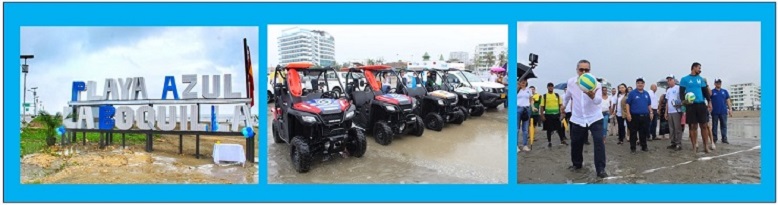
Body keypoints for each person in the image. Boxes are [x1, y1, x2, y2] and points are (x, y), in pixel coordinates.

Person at [564, 59, 607, 178]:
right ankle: (577, 164)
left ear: (590, 70)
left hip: (595, 117)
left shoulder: (595, 83)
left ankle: (600, 169)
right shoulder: (571, 82)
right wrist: (563, 105)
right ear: (577, 70)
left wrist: (592, 95)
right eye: (581, 69)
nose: (583, 72)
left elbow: (598, 101)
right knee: (576, 142)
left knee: (599, 141)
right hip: (578, 117)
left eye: (586, 70)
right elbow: (567, 96)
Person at [680, 62, 713, 153]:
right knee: (693, 126)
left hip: (701, 104)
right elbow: (681, 93)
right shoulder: (684, 79)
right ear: (694, 68)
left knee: (704, 125)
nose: (700, 70)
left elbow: (705, 92)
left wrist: (709, 101)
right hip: (690, 105)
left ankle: (706, 146)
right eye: (699, 68)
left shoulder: (701, 79)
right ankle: (694, 146)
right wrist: (684, 102)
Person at [625, 77, 653, 152]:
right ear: (636, 84)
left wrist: (651, 112)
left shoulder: (646, 93)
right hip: (634, 116)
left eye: (641, 83)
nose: (640, 84)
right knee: (633, 133)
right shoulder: (632, 93)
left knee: (643, 132)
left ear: (644, 84)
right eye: (638, 83)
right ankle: (633, 148)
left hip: (644, 116)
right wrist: (628, 114)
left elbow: (649, 104)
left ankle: (644, 146)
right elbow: (627, 104)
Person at [541, 82, 568, 147]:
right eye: (549, 86)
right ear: (547, 87)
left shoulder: (557, 95)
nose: (550, 87)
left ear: (553, 87)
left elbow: (561, 105)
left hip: (556, 114)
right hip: (548, 115)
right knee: (549, 129)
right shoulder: (544, 96)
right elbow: (542, 106)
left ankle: (562, 140)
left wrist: (562, 113)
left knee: (559, 128)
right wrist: (542, 115)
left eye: (551, 86)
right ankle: (549, 142)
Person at [710, 78, 732, 144]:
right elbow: (709, 101)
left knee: (724, 125)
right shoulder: (712, 92)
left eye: (719, 83)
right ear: (714, 84)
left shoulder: (724, 91)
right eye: (717, 83)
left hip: (723, 111)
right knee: (714, 126)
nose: (718, 84)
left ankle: (724, 138)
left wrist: (730, 109)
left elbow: (728, 100)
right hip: (714, 112)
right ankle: (714, 138)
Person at [665, 75, 683, 150]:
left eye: (670, 80)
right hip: (670, 112)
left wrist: (678, 103)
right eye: (668, 80)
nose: (669, 81)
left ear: (674, 80)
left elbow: (682, 99)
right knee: (671, 128)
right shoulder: (668, 90)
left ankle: (678, 143)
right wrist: (666, 112)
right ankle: (673, 142)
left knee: (677, 128)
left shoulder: (678, 88)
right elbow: (667, 102)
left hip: (677, 111)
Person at [518, 79, 533, 152]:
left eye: (524, 81)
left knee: (525, 129)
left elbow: (531, 100)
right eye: (521, 81)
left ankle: (525, 145)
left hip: (526, 109)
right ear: (519, 82)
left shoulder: (529, 90)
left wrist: (533, 107)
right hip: (518, 109)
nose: (523, 83)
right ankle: (516, 146)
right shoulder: (516, 90)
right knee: (516, 129)